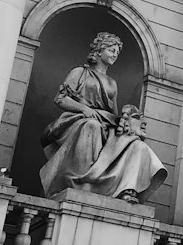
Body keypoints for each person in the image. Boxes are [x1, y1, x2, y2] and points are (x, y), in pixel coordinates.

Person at [39, 32, 166, 203]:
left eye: (117, 52)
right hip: (76, 120)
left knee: (135, 144)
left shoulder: (113, 83)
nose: (115, 55)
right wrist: (84, 109)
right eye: (111, 50)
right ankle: (81, 181)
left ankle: (126, 189)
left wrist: (127, 122)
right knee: (91, 126)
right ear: (99, 50)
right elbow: (60, 98)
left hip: (105, 123)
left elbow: (112, 114)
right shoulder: (80, 72)